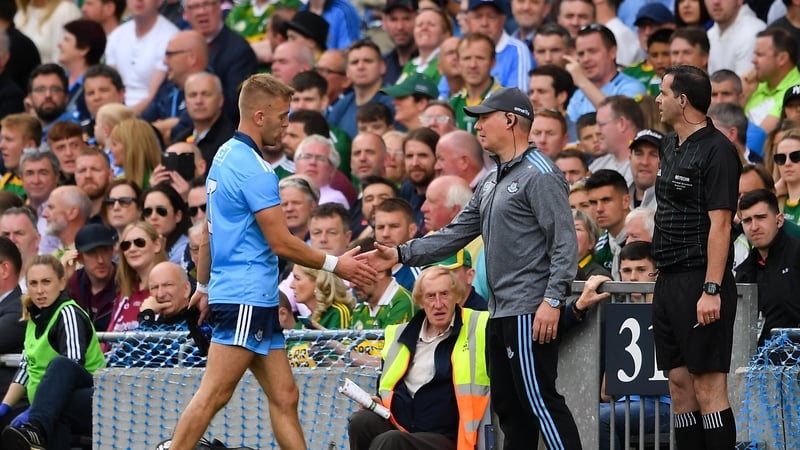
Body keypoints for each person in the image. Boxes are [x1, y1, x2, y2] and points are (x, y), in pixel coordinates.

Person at [164, 73, 375, 450]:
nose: (286, 123)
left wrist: (205, 285)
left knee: (285, 394)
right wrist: (335, 264)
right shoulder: (256, 170)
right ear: (259, 116)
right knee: (214, 394)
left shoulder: (223, 156)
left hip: (248, 297)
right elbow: (281, 242)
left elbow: (210, 231)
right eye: (282, 115)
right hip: (247, 298)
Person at [362, 87, 582, 448]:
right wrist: (400, 254)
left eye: (484, 118)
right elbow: (455, 234)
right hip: (500, 312)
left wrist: (552, 301)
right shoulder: (492, 179)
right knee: (512, 411)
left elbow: (564, 243)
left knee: (541, 402)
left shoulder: (541, 174)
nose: (477, 126)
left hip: (528, 310)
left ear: (509, 120)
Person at [653, 65, 740, 449]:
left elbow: (721, 225)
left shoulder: (718, 150)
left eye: (663, 92)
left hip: (700, 279)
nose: (658, 99)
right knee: (679, 385)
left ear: (683, 100)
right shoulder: (667, 144)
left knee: (708, 388)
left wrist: (711, 288)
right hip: (667, 278)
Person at [347, 266, 490, 450]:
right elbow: (386, 386)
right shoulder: (400, 335)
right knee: (361, 421)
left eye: (444, 294)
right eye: (430, 296)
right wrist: (378, 402)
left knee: (391, 441)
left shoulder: (479, 325)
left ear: (456, 296)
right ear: (421, 301)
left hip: (447, 436)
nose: (438, 304)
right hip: (402, 425)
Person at [0, 255, 105, 450]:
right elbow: (26, 369)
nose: (40, 290)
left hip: (92, 396)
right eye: (33, 283)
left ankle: (36, 429)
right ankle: (36, 432)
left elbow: (72, 366)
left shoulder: (68, 312)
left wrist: (35, 411)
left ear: (62, 283)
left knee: (61, 364)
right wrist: (4, 407)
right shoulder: (33, 318)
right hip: (47, 408)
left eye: (46, 282)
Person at [735, 189, 800, 346]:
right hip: (757, 357)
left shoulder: (797, 254)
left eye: (761, 217)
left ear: (779, 220)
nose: (754, 227)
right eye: (747, 220)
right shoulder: (744, 272)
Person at [107, 220, 166, 331]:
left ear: (157, 245)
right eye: (126, 245)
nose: (132, 249)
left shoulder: (168, 290)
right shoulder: (124, 293)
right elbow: (108, 337)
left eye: (139, 242)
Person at [65, 223, 118, 332]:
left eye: (105, 251)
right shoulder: (73, 283)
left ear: (113, 252)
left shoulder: (127, 281)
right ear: (79, 258)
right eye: (92, 253)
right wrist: (63, 281)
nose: (100, 260)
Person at [290, 265, 355, 329]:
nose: (291, 285)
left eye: (297, 278)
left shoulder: (338, 312)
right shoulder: (303, 323)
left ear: (318, 282)